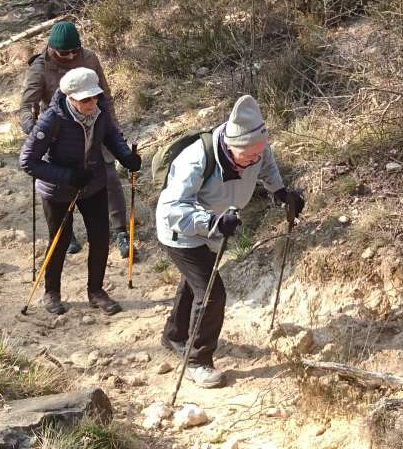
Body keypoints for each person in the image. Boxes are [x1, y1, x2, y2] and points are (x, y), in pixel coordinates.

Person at [154, 94, 304, 389]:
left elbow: (267, 166)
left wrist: (281, 193)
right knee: (211, 293)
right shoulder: (196, 159)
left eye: (257, 153)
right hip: (181, 233)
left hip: (214, 228)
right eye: (246, 156)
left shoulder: (256, 147)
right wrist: (212, 222)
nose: (253, 160)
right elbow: (173, 208)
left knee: (195, 283)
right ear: (229, 145)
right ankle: (198, 361)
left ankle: (174, 335)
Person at [20, 68, 142, 317]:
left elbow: (111, 135)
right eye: (86, 99)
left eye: (95, 96)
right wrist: (67, 176)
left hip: (92, 183)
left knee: (100, 237)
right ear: (71, 97)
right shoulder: (51, 120)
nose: (92, 102)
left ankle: (96, 291)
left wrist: (126, 157)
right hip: (57, 189)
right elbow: (28, 161)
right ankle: (51, 292)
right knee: (60, 240)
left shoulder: (100, 110)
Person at [18, 19, 136, 263]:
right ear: (51, 49)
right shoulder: (40, 67)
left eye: (75, 51)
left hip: (94, 123)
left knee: (109, 177)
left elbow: (105, 97)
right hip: (59, 133)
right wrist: (36, 131)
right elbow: (26, 106)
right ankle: (66, 231)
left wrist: (112, 128)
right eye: (65, 53)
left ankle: (120, 231)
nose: (71, 56)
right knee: (61, 182)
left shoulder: (89, 58)